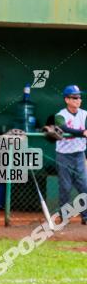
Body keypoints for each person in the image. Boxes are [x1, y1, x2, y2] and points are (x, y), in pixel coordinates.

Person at [54, 84, 87, 224]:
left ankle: (85, 216)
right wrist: (82, 133)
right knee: (65, 187)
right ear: (67, 100)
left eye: (79, 97)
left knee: (84, 186)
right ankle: (65, 216)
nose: (78, 100)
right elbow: (63, 127)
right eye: (74, 97)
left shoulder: (84, 114)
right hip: (64, 155)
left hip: (79, 154)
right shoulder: (60, 115)